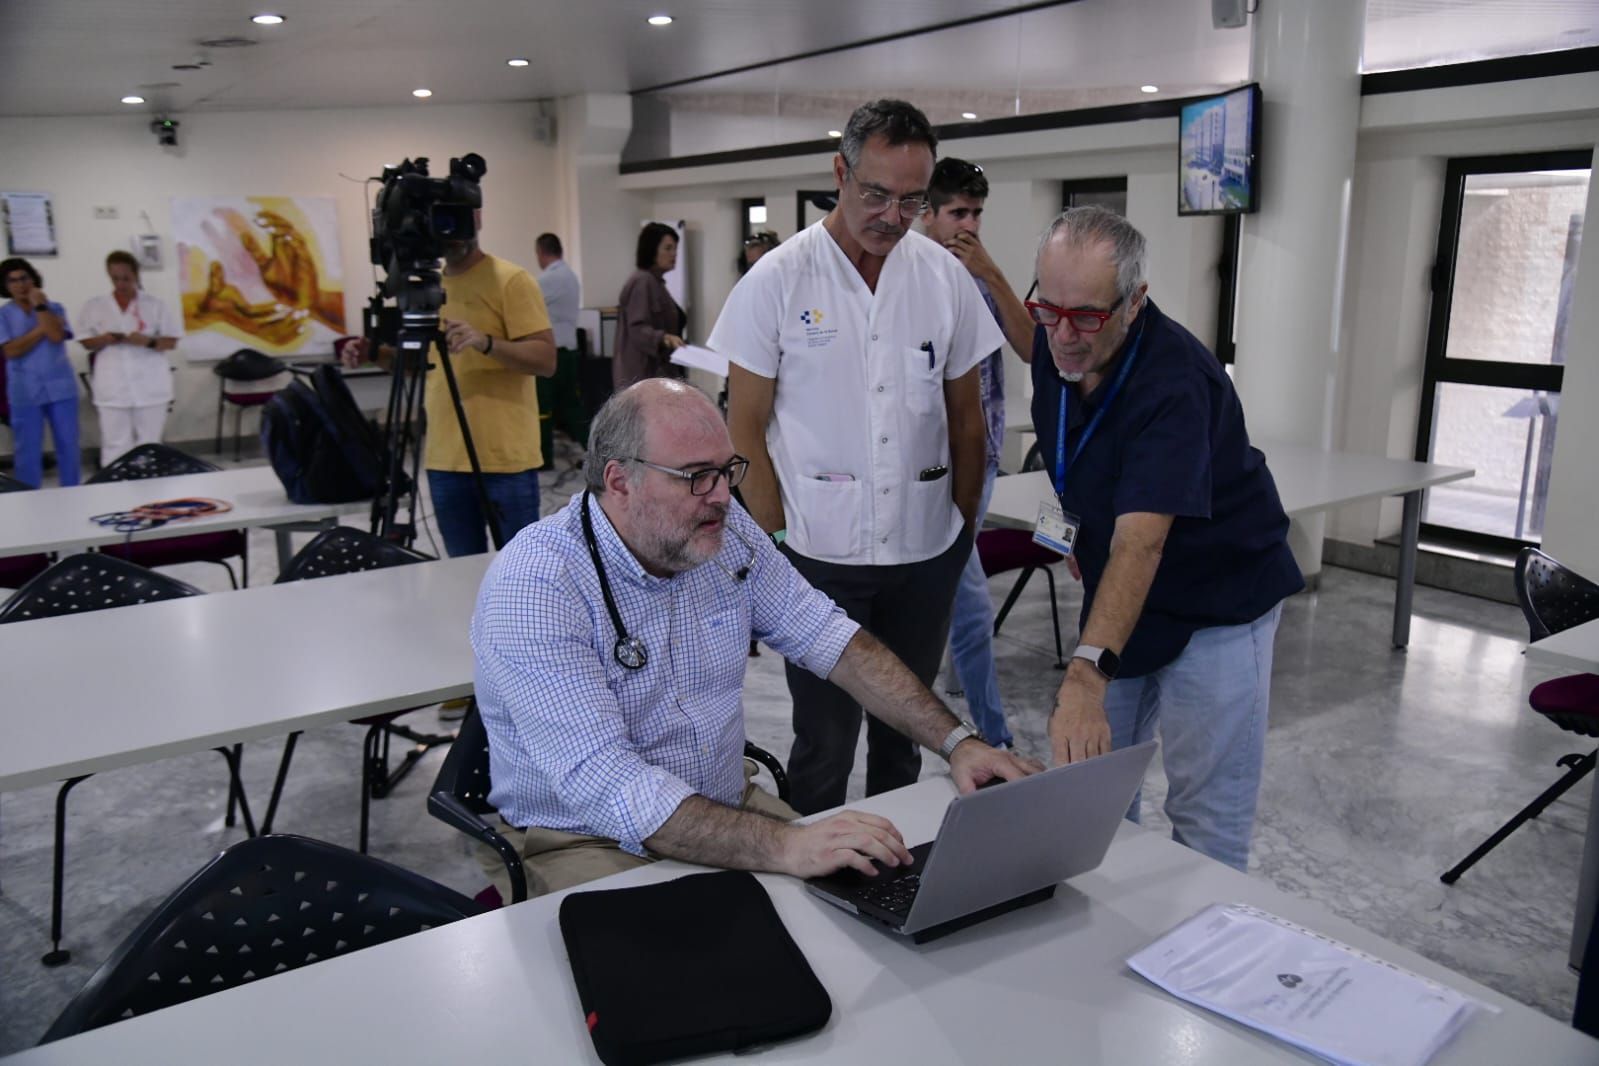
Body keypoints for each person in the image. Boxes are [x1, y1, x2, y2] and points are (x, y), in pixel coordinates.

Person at [471, 378, 1036, 895]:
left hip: (722, 804)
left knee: (867, 896)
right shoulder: (538, 585)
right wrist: (787, 845)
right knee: (710, 977)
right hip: (584, 840)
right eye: (696, 477)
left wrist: (957, 742)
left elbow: (831, 639)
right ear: (620, 481)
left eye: (726, 470)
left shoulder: (722, 530)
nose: (721, 495)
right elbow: (609, 785)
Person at [714, 99, 1003, 815]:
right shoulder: (777, 282)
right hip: (816, 553)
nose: (892, 214)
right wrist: (774, 542)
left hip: (922, 552)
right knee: (825, 737)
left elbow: (967, 422)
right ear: (839, 174)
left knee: (905, 731)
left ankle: (894, 867)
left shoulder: (941, 280)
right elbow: (744, 429)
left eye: (911, 199)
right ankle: (814, 875)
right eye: (875, 193)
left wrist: (959, 532)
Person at [1029, 206, 1303, 872]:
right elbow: (1080, 447)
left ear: (1134, 301)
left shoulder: (1174, 382)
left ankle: (1201, 956)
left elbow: (1141, 546)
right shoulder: (1057, 331)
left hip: (1216, 600)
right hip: (1123, 597)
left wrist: (1084, 681)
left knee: (1205, 818)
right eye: (1048, 309)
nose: (1063, 335)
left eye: (1086, 316)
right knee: (1083, 794)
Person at [343, 214, 557, 556]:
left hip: (506, 461)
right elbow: (419, 364)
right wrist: (373, 352)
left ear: (477, 218)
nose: (450, 234)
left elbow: (546, 360)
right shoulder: (424, 291)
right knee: (460, 573)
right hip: (444, 460)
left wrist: (486, 342)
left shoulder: (511, 280)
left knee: (521, 576)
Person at [920, 157, 1036, 749]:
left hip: (981, 455)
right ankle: (990, 734)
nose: (969, 225)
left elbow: (1031, 349)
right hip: (928, 465)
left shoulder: (977, 274)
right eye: (957, 213)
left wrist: (991, 273)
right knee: (966, 599)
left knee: (959, 593)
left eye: (977, 214)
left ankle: (973, 720)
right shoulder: (911, 274)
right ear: (929, 214)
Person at [79, 250, 180, 464]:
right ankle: (116, 490)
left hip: (150, 384)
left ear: (136, 275)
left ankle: (151, 489)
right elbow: (85, 341)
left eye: (126, 278)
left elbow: (171, 341)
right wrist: (105, 338)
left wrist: (148, 342)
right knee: (115, 443)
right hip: (113, 385)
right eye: (115, 278)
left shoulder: (155, 305)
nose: (121, 283)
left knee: (150, 443)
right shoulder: (95, 305)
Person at [0, 257, 80, 487]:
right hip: (25, 390)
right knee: (27, 450)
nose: (20, 284)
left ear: (33, 279)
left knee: (68, 446)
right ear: (5, 286)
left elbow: (56, 336)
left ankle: (73, 493)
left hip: (61, 387)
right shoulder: (3, 315)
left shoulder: (54, 307)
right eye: (12, 280)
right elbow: (12, 351)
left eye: (24, 278)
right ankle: (28, 498)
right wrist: (40, 329)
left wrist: (41, 307)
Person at [533, 232, 588, 465]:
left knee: (542, 406)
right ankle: (592, 449)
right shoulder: (572, 277)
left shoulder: (546, 280)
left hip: (550, 352)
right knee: (572, 405)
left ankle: (543, 458)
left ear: (541, 253)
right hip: (570, 351)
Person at [613, 222, 686, 390]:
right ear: (652, 250)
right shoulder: (642, 281)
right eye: (668, 248)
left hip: (655, 375)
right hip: (643, 377)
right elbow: (637, 329)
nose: (674, 254)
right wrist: (664, 338)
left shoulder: (655, 282)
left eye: (675, 249)